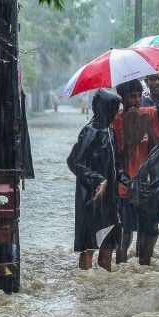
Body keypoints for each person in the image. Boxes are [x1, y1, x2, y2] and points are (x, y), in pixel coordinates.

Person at [67, 89, 123, 271]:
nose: (119, 111)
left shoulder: (110, 130)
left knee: (108, 242)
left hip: (110, 198)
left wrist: (126, 180)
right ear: (107, 109)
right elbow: (74, 161)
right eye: (116, 107)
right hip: (90, 197)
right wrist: (97, 179)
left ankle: (105, 283)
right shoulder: (90, 131)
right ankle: (85, 282)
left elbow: (114, 163)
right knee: (88, 245)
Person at [113, 79, 159, 265]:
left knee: (150, 231)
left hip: (148, 185)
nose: (135, 101)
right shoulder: (116, 121)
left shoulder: (151, 113)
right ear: (122, 98)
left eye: (138, 96)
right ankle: (121, 266)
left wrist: (146, 126)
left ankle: (145, 265)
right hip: (124, 187)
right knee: (125, 232)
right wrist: (129, 128)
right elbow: (117, 156)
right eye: (131, 97)